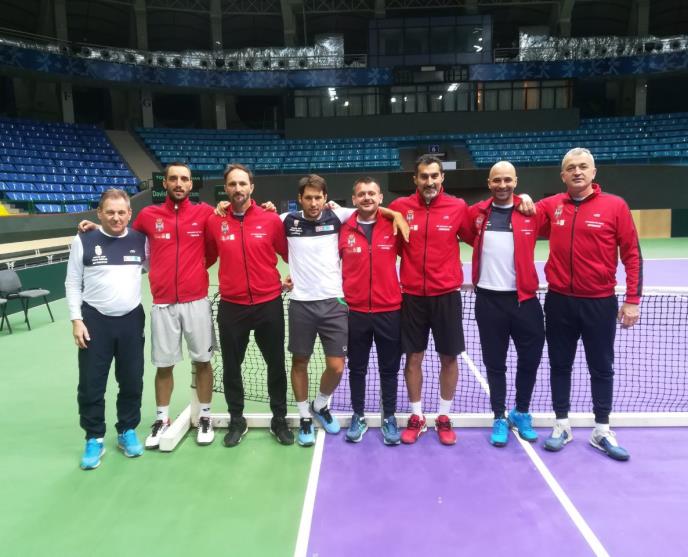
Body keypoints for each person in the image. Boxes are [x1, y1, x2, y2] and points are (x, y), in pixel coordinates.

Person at [282, 174, 407, 447]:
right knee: (305, 363)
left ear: (326, 198)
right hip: (307, 304)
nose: (313, 202)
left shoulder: (343, 217)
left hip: (342, 305)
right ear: (300, 199)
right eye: (308, 197)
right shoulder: (288, 221)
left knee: (342, 367)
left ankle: (325, 405)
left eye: (318, 197)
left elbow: (373, 208)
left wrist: (396, 214)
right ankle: (309, 417)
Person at [538, 148, 641, 461]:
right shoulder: (551, 205)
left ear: (594, 172)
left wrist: (632, 300)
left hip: (599, 303)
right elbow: (518, 212)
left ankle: (602, 430)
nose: (577, 172)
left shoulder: (615, 206)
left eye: (583, 166)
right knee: (560, 365)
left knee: (601, 367)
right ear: (563, 175)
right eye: (571, 168)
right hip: (559, 302)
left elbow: (632, 255)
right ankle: (561, 425)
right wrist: (525, 199)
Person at [205, 163, 293, 447]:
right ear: (225, 189)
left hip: (269, 304)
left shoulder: (271, 219)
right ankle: (236, 420)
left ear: (251, 187)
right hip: (232, 307)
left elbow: (290, 254)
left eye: (242, 183)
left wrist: (297, 276)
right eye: (232, 184)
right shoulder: (215, 221)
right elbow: (204, 256)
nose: (238, 188)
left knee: (276, 365)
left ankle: (279, 419)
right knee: (232, 368)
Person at [389, 155, 475, 445]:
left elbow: (476, 236)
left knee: (449, 357)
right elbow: (373, 215)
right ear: (415, 179)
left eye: (434, 176)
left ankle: (443, 416)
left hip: (446, 295)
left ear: (442, 178)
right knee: (413, 357)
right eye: (424, 176)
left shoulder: (458, 207)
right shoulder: (400, 207)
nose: (429, 181)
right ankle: (417, 416)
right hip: (412, 296)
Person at [66, 189, 147, 470]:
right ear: (99, 213)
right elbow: (72, 282)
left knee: (132, 380)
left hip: (131, 320)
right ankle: (94, 438)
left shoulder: (140, 240)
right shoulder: (84, 239)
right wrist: (76, 319)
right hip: (94, 321)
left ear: (130, 214)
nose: (116, 217)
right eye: (110, 212)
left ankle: (127, 430)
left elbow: (160, 265)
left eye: (121, 212)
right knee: (91, 384)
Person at [469, 161, 545, 447]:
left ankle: (521, 412)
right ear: (489, 183)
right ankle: (499, 416)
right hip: (488, 301)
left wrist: (526, 198)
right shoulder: (476, 213)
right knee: (494, 363)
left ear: (516, 181)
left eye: (507, 180)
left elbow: (558, 206)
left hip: (525, 300)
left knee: (530, 360)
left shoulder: (530, 212)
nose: (502, 185)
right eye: (497, 180)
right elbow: (460, 230)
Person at [339, 177, 403, 445]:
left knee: (389, 369)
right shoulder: (342, 228)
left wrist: (395, 214)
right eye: (361, 194)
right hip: (354, 312)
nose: (367, 197)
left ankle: (389, 417)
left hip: (389, 310)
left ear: (380, 198)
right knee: (357, 368)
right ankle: (359, 415)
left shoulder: (394, 225)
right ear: (354, 199)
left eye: (372, 193)